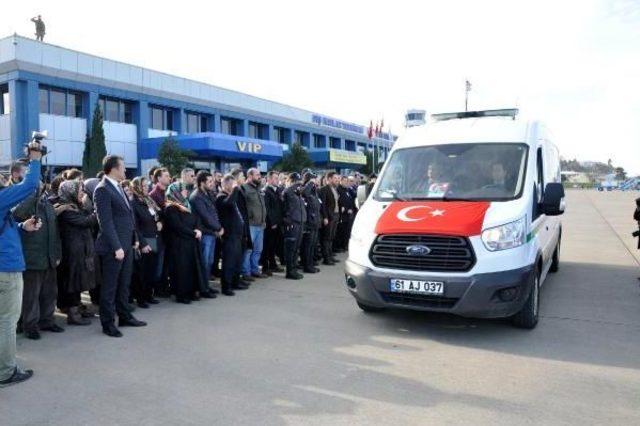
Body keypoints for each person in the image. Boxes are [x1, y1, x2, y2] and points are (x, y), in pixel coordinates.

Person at [0, 141, 42, 387]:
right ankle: (5, 372)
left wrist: (21, 226)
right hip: (6, 269)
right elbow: (29, 185)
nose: (5, 177)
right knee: (7, 320)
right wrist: (35, 158)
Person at [94, 155, 146, 338]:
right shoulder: (102, 189)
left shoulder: (119, 187)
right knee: (110, 287)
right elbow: (105, 222)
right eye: (123, 167)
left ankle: (124, 316)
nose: (125, 170)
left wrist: (134, 239)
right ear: (114, 169)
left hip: (126, 245)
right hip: (113, 248)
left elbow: (128, 217)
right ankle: (108, 324)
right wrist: (117, 247)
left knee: (124, 284)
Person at [12, 181, 63, 339]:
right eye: (36, 185)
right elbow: (17, 214)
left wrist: (57, 253)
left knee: (49, 293)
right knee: (31, 295)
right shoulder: (24, 200)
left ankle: (47, 320)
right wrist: (33, 195)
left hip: (49, 256)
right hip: (32, 257)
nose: (40, 187)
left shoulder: (47, 203)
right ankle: (30, 325)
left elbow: (55, 231)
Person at [53, 180, 97, 326]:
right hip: (71, 252)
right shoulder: (64, 210)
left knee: (78, 281)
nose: (81, 193)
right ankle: (73, 314)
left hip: (79, 250)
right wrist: (99, 212)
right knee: (71, 282)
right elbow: (84, 221)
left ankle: (78, 307)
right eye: (78, 191)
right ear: (70, 192)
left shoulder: (75, 206)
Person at [164, 182, 211, 303]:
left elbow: (197, 219)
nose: (186, 192)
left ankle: (190, 292)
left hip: (191, 242)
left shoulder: (187, 204)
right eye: (183, 190)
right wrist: (193, 233)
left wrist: (198, 229)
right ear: (176, 192)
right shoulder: (171, 207)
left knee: (191, 268)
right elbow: (177, 226)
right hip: (179, 243)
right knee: (182, 269)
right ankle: (181, 294)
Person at [130, 177, 162, 308]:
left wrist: (160, 222)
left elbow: (157, 214)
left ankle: (149, 295)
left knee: (151, 269)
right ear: (137, 187)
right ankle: (141, 298)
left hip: (153, 237)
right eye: (143, 186)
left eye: (146, 185)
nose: (146, 188)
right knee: (142, 271)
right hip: (144, 239)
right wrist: (142, 243)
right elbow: (135, 226)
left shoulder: (148, 200)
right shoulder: (134, 203)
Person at [216, 175, 250, 295]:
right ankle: (226, 286)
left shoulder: (231, 196)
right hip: (229, 235)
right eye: (233, 184)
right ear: (226, 185)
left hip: (237, 234)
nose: (235, 187)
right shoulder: (221, 197)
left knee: (237, 260)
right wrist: (235, 189)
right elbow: (229, 203)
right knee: (229, 262)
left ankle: (235, 282)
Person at [190, 171, 223, 294]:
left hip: (211, 232)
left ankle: (206, 286)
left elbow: (213, 212)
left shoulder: (208, 194)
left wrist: (217, 227)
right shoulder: (197, 196)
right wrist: (218, 228)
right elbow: (206, 217)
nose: (212, 183)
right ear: (201, 182)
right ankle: (203, 288)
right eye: (209, 181)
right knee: (204, 262)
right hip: (204, 233)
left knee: (209, 262)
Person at [241, 168, 268, 279]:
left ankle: (254, 270)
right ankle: (246, 273)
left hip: (260, 225)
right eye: (257, 174)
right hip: (251, 225)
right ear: (250, 176)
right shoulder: (244, 188)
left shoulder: (259, 188)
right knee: (248, 250)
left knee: (258, 250)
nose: (259, 176)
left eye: (259, 174)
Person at [230, 168, 253, 282]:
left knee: (242, 252)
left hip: (244, 225)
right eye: (242, 176)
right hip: (238, 227)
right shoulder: (234, 191)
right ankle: (236, 278)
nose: (244, 178)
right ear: (236, 178)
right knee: (237, 255)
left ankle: (238, 277)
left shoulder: (241, 189)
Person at [282, 173, 306, 280]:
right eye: (296, 181)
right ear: (291, 181)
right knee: (291, 248)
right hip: (292, 223)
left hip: (299, 222)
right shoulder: (287, 191)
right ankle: (289, 271)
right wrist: (296, 184)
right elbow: (287, 193)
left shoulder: (297, 193)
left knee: (296, 248)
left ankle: (294, 269)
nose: (299, 183)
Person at [262, 171, 284, 274]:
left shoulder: (277, 190)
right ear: (269, 179)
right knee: (268, 246)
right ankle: (266, 267)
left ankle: (273, 264)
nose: (277, 180)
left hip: (278, 223)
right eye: (275, 178)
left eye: (277, 178)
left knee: (275, 245)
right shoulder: (266, 191)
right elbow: (267, 209)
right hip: (271, 225)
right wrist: (272, 222)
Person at [301, 171, 321, 274]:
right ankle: (306, 266)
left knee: (312, 245)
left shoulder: (314, 191)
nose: (315, 181)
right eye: (313, 179)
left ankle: (310, 264)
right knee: (307, 246)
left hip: (315, 221)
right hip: (308, 222)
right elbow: (304, 193)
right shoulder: (305, 188)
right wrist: (310, 183)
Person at [319, 172, 340, 265]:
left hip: (335, 215)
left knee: (332, 237)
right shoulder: (324, 189)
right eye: (335, 178)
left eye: (337, 178)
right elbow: (323, 205)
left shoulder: (334, 189)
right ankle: (326, 259)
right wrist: (325, 217)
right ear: (329, 179)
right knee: (326, 238)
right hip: (329, 217)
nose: (337, 180)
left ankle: (330, 256)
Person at [335, 176, 356, 252]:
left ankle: (346, 245)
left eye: (347, 181)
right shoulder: (338, 190)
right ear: (341, 181)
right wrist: (347, 209)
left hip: (349, 213)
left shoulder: (347, 190)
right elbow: (339, 201)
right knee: (342, 231)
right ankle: (341, 246)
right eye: (344, 181)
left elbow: (350, 200)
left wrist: (350, 208)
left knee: (347, 230)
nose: (346, 182)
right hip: (342, 214)